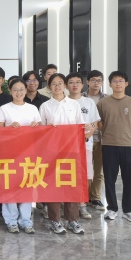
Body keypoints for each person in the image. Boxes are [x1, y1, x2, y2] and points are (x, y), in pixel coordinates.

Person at [39, 73, 90, 235]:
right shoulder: (45, 106)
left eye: (60, 83)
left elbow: (80, 126)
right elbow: (40, 130)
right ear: (49, 87)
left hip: (71, 150)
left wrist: (87, 127)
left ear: (65, 85)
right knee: (53, 185)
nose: (57, 86)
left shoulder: (74, 104)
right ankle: (55, 220)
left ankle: (72, 220)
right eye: (53, 84)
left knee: (71, 184)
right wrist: (47, 129)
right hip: (52, 151)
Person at [97, 70, 131, 223]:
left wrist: (126, 133)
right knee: (109, 179)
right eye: (114, 81)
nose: (118, 83)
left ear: (126, 84)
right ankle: (112, 208)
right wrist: (109, 132)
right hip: (109, 144)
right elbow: (99, 123)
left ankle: (128, 210)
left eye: (121, 81)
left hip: (128, 145)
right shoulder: (103, 103)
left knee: (129, 178)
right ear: (110, 84)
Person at [0, 78, 41, 234]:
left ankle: (26, 220)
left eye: (22, 89)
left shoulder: (32, 109)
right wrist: (9, 128)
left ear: (26, 90)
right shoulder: (4, 109)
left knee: (26, 187)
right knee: (10, 186)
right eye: (15, 89)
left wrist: (36, 127)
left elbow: (41, 132)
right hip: (9, 153)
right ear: (10, 91)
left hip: (28, 153)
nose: (19, 92)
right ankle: (11, 220)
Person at [67, 72, 100, 220]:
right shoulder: (63, 102)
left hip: (85, 145)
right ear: (67, 85)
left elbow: (95, 123)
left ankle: (82, 204)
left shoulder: (89, 102)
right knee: (67, 175)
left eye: (77, 82)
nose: (74, 85)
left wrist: (86, 137)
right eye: (71, 82)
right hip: (66, 147)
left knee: (85, 176)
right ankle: (67, 204)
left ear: (82, 84)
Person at [82, 69, 108, 211]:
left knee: (99, 171)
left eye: (99, 80)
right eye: (93, 80)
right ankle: (84, 197)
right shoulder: (80, 97)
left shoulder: (107, 99)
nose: (96, 83)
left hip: (101, 139)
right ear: (88, 82)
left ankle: (96, 198)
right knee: (85, 171)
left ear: (102, 83)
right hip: (84, 139)